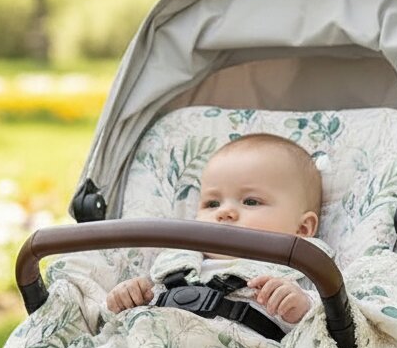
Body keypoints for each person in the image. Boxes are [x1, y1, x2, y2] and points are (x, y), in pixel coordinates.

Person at [106, 133, 323, 326]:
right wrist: (127, 298)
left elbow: (338, 332)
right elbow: (131, 311)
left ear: (302, 228)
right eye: (212, 204)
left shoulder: (306, 271)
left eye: (250, 201)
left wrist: (303, 309)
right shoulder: (173, 265)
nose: (224, 212)